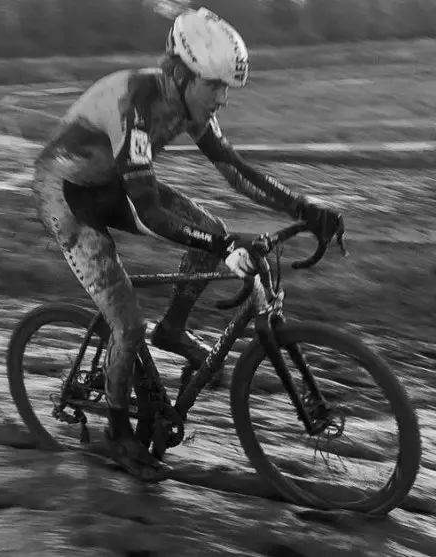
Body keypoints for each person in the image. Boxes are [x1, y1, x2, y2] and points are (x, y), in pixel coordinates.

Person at [31, 7, 344, 481]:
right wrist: (224, 250)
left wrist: (305, 209)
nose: (222, 98)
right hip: (68, 195)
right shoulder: (136, 100)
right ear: (180, 74)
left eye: (226, 88)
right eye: (214, 85)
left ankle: (173, 330)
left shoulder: (187, 103)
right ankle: (118, 434)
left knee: (211, 226)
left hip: (112, 181)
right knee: (127, 323)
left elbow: (235, 169)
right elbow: (149, 210)